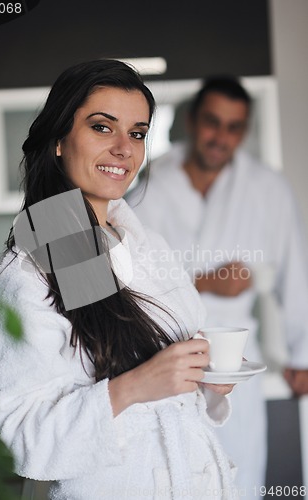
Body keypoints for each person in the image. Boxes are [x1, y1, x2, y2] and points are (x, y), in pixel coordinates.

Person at [0, 60, 239, 500]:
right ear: (60, 140)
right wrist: (136, 386)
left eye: (137, 133)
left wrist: (205, 377)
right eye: (102, 127)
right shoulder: (37, 264)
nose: (124, 148)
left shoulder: (145, 244)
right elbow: (18, 436)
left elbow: (167, 375)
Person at [126, 75, 308, 498]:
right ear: (192, 120)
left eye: (233, 127)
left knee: (239, 479)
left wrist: (303, 353)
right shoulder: (154, 180)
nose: (220, 137)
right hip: (163, 354)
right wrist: (206, 281)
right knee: (173, 478)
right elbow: (128, 277)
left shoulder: (267, 189)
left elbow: (295, 271)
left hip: (235, 360)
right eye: (212, 122)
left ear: (244, 131)